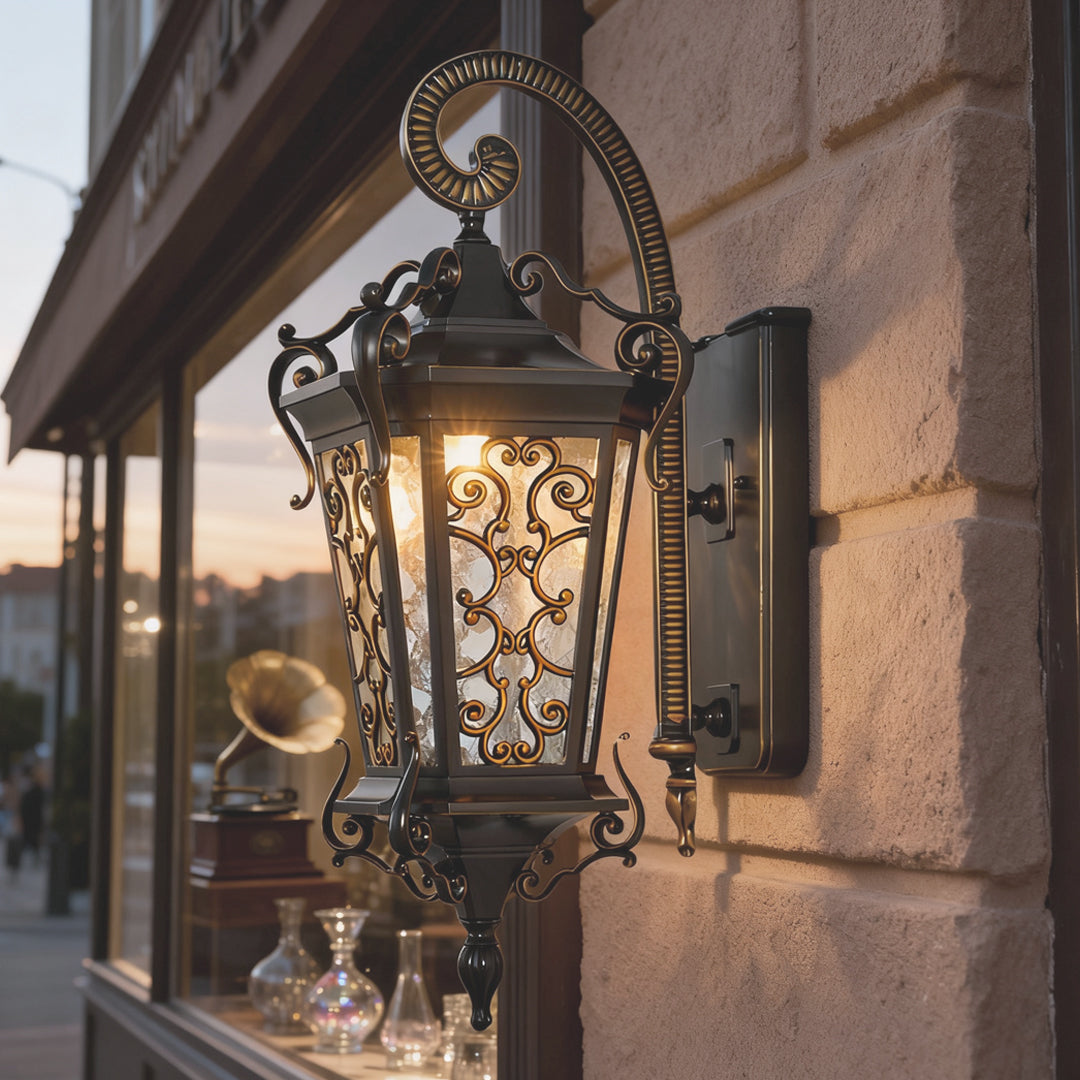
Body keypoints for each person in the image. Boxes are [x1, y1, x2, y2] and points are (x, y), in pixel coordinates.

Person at [19, 766, 45, 867]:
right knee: (32, 842)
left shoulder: (31, 790)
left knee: (28, 842)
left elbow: (24, 806)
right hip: (33, 821)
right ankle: (33, 862)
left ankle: (29, 862)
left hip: (30, 821)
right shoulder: (38, 791)